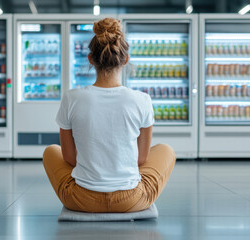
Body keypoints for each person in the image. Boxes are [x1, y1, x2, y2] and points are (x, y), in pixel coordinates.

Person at [43, 17, 176, 213]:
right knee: (166, 150)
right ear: (126, 60)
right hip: (131, 200)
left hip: (80, 199)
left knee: (50, 151)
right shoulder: (142, 100)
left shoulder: (71, 98)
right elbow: (141, 159)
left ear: (90, 59)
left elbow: (70, 158)